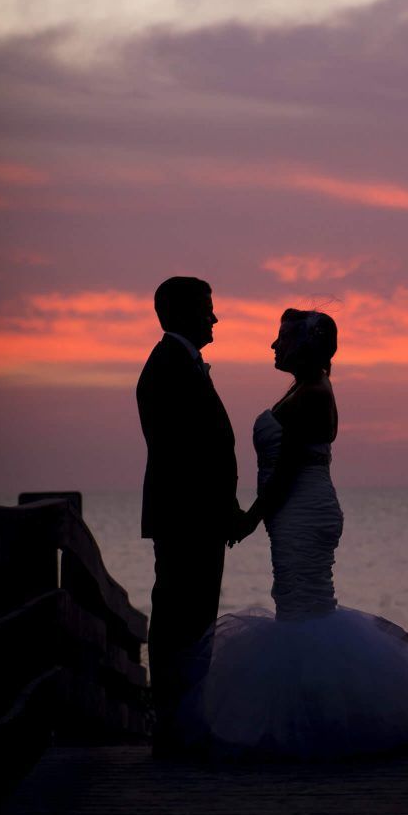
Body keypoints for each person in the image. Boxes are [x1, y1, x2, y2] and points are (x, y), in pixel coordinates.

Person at [173, 307, 408, 760]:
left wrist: (250, 518)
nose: (274, 346)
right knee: (299, 605)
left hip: (302, 509)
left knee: (303, 611)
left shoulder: (313, 393)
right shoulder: (302, 388)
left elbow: (288, 470)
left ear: (304, 347)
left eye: (282, 339)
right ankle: (313, 716)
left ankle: (320, 724)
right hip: (296, 510)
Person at [136, 276, 239, 756]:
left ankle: (185, 721)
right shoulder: (168, 368)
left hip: (195, 519)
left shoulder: (181, 364)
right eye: (207, 308)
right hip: (187, 520)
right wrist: (223, 510)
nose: (214, 317)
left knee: (192, 620)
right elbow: (186, 455)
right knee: (181, 621)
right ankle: (176, 725)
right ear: (179, 313)